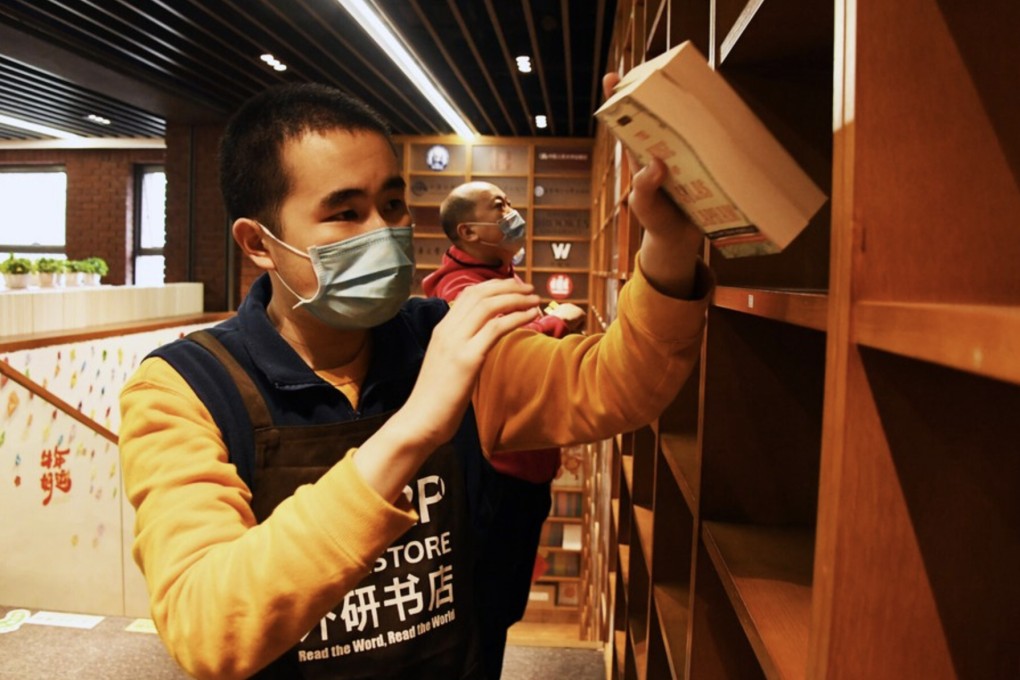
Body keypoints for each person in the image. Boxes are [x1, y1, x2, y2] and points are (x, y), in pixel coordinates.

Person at [119, 74, 710, 680]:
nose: (383, 231)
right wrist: (413, 427)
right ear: (259, 243)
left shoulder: (453, 337)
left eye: (393, 204)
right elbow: (208, 628)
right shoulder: (181, 389)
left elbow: (620, 384)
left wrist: (667, 242)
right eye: (346, 213)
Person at [422, 181, 586, 679]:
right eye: (501, 207)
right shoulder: (461, 289)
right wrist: (561, 322)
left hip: (525, 464)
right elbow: (505, 347)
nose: (513, 213)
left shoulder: (496, 273)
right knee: (486, 610)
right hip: (497, 470)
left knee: (500, 604)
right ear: (470, 230)